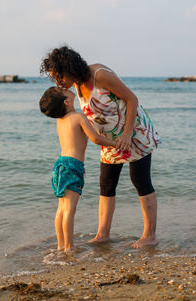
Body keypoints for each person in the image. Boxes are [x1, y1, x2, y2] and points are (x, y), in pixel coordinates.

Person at [40, 46, 162, 248]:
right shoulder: (77, 84)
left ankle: (149, 236)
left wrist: (127, 133)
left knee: (140, 180)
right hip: (110, 140)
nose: (58, 82)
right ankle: (102, 235)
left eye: (58, 76)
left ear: (69, 68)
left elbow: (132, 99)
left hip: (134, 133)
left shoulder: (100, 75)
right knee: (106, 183)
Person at [39, 87, 116, 252]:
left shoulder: (61, 121)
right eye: (62, 90)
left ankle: (61, 246)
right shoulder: (78, 117)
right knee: (70, 209)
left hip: (60, 164)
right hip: (73, 166)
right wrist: (115, 143)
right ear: (66, 101)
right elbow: (95, 138)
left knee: (61, 208)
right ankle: (69, 247)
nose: (65, 88)